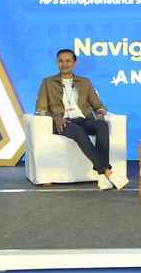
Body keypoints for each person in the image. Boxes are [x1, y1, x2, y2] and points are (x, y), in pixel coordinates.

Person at [35, 49, 126, 190]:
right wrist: (55, 117)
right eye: (61, 61)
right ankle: (107, 172)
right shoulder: (47, 82)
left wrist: (100, 114)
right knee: (78, 131)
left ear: (74, 63)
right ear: (57, 63)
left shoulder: (85, 82)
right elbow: (40, 110)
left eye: (68, 61)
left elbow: (98, 105)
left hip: (82, 119)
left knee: (102, 125)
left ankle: (102, 174)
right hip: (63, 122)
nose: (64, 64)